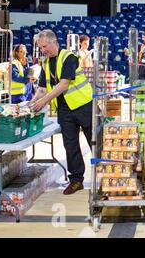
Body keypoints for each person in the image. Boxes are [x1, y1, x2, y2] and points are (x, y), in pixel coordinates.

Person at [30, 30, 93, 195]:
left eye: (44, 46)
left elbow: (64, 84)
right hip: (64, 110)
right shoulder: (45, 63)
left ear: (54, 42)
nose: (43, 50)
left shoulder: (69, 58)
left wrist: (43, 102)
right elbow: (42, 88)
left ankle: (105, 176)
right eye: (40, 47)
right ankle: (76, 180)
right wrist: (32, 101)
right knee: (70, 146)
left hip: (83, 105)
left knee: (94, 142)